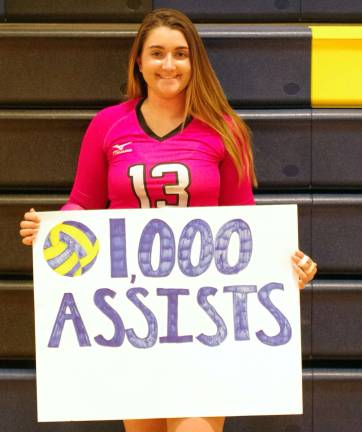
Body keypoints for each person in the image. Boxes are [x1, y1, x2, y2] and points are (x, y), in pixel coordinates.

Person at [19, 8, 317, 432]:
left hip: (204, 318)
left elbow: (243, 223)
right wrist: (51, 231)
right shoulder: (108, 125)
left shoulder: (224, 129)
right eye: (157, 53)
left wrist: (285, 267)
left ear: (194, 62)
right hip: (135, 317)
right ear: (138, 62)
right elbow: (82, 204)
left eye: (180, 54)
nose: (168, 65)